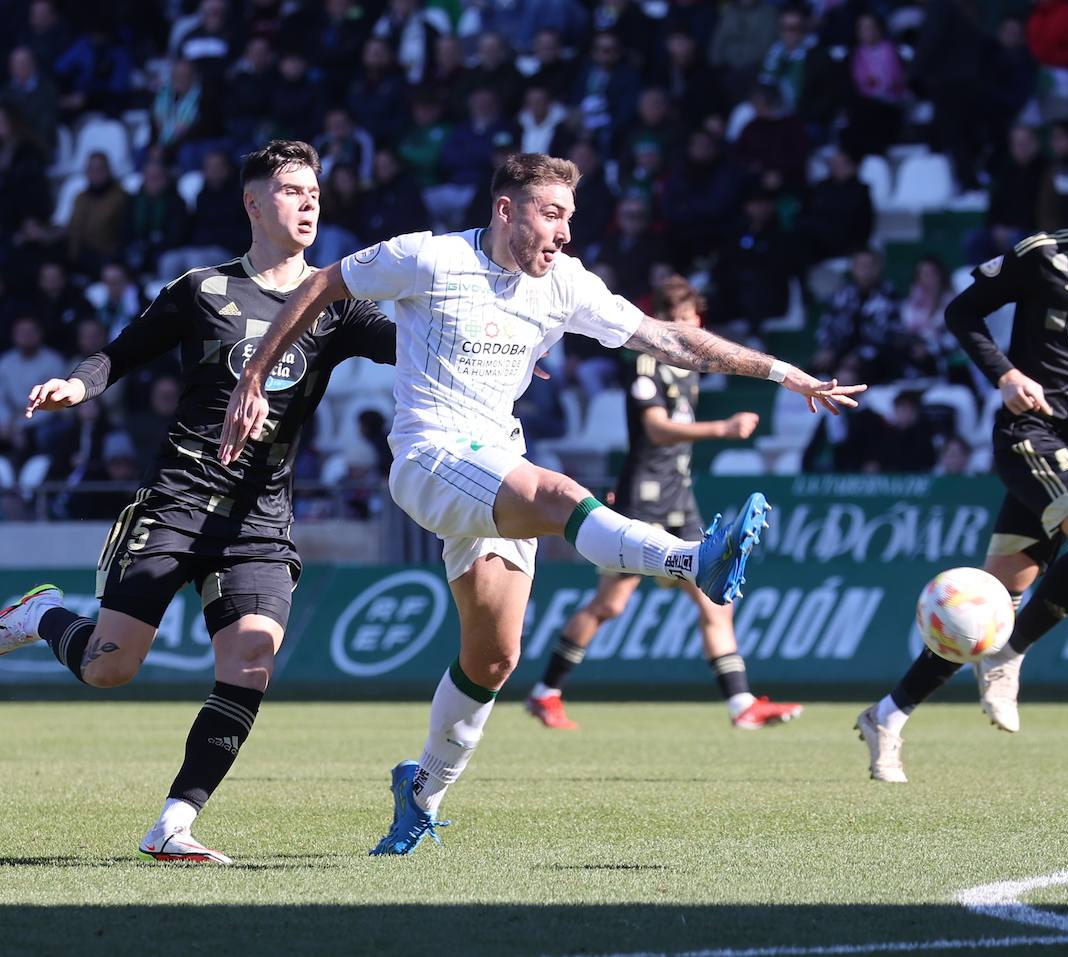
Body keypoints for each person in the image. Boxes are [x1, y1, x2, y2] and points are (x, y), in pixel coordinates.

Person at [217, 152, 862, 854]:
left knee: (493, 656)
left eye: (570, 219)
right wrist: (256, 373)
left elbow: (670, 338)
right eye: (552, 215)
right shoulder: (426, 259)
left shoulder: (565, 285)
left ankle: (422, 791)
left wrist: (780, 371)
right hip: (431, 457)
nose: (564, 233)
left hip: (497, 459)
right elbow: (326, 280)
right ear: (506, 209)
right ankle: (690, 559)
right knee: (557, 492)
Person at [0, 141, 396, 862]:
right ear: (253, 203)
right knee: (109, 667)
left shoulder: (335, 308)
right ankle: (38, 614)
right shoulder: (203, 289)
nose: (309, 202)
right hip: (176, 502)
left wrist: (495, 347)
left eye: (315, 191)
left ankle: (174, 821)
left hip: (260, 519)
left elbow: (411, 346)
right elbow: (119, 353)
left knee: (251, 658)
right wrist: (77, 385)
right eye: (291, 190)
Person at [855, 142, 1068, 782]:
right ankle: (1011, 656)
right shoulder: (1046, 255)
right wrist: (1005, 374)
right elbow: (962, 313)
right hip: (1028, 437)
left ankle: (888, 716)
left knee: (988, 605)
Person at [524, 276, 802, 731]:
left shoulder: (690, 372)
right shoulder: (646, 365)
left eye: (690, 320)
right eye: (676, 321)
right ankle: (546, 692)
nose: (685, 330)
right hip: (644, 499)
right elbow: (654, 428)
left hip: (679, 497)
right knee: (610, 605)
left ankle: (741, 704)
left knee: (714, 601)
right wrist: (722, 430)